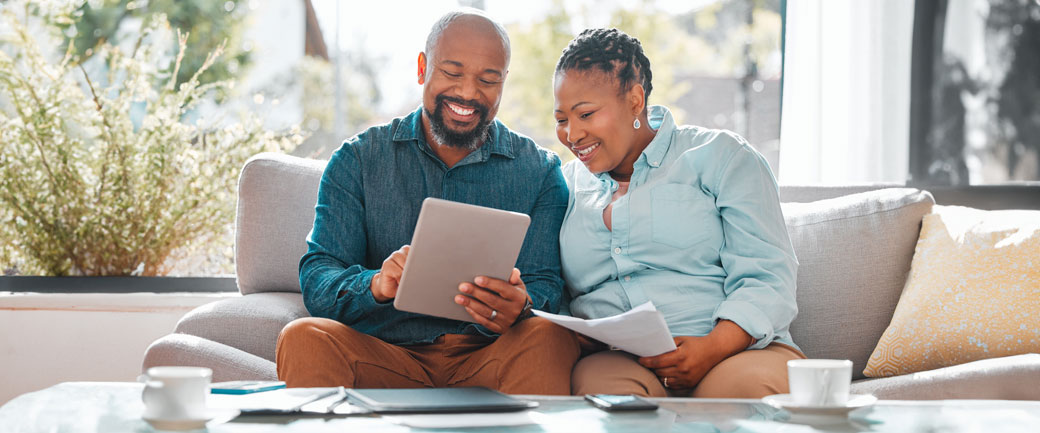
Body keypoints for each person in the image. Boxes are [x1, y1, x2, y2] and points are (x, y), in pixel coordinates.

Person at [276, 9, 578, 395]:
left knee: (550, 335)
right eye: (452, 73)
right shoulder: (359, 159)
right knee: (304, 336)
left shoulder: (539, 171)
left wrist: (521, 304)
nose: (468, 93)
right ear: (423, 68)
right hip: (382, 353)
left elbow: (546, 284)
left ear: (504, 83)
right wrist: (375, 285)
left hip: (489, 356)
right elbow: (319, 276)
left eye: (488, 80)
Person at [552, 28, 805, 398]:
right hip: (620, 359)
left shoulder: (721, 156)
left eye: (586, 114)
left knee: (730, 399)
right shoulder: (564, 185)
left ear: (635, 100)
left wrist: (712, 348)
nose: (572, 134)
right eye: (561, 120)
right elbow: (557, 291)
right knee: (612, 408)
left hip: (737, 351)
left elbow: (768, 276)